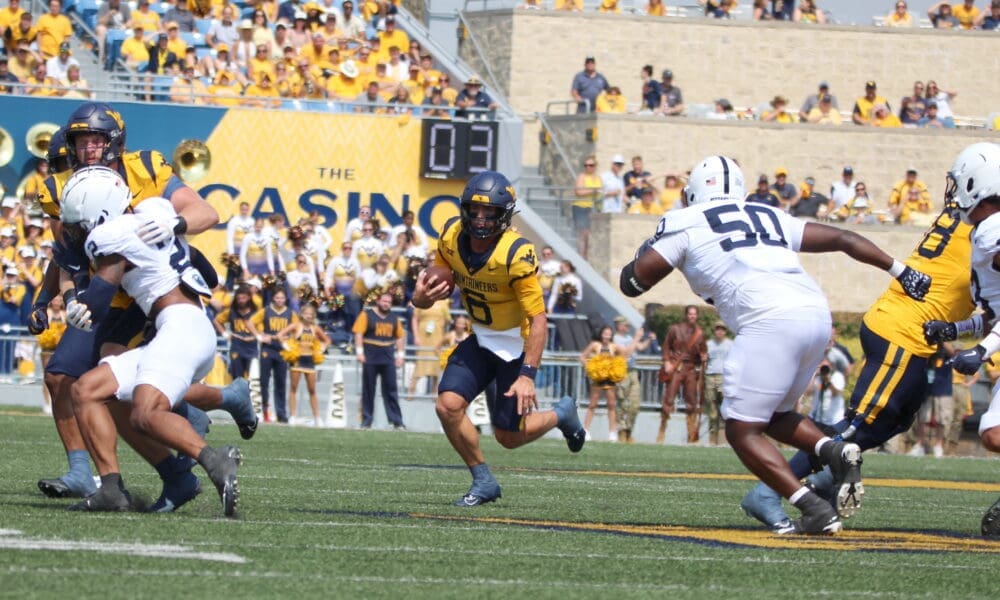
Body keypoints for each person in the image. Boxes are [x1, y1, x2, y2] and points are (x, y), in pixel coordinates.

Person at [621, 155, 932, 534]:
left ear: (691, 195)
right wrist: (900, 270)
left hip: (768, 319)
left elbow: (634, 283)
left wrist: (647, 247)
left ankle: (813, 508)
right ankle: (833, 449)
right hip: (815, 314)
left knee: (740, 430)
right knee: (775, 416)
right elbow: (843, 237)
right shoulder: (768, 214)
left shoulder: (685, 222)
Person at [32, 102, 245, 513]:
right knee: (84, 387)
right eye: (80, 141)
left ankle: (202, 444)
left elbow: (203, 213)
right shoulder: (146, 211)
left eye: (97, 140)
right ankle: (112, 484)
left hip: (165, 315)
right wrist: (63, 297)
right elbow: (67, 257)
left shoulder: (130, 203)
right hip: (164, 307)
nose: (88, 150)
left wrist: (176, 226)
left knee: (140, 407)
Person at [411, 170, 587, 506]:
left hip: (515, 345)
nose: (480, 219)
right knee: (447, 406)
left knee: (507, 436)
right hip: (480, 338)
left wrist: (527, 375)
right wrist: (421, 299)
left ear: (503, 215)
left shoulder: (516, 253)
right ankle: (483, 480)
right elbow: (431, 292)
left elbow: (538, 318)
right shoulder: (450, 235)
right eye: (475, 210)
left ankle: (561, 414)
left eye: (489, 212)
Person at [922, 142, 1000, 538]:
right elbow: (992, 313)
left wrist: (982, 351)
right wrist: (955, 331)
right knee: (993, 434)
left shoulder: (992, 232)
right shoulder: (985, 234)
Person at [352, 291, 405, 429]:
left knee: (391, 390)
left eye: (389, 302)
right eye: (384, 301)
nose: (386, 304)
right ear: (378, 301)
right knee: (368, 390)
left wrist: (400, 355)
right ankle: (366, 420)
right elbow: (358, 334)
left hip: (387, 358)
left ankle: (397, 421)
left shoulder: (394, 318)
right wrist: (359, 352)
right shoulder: (366, 315)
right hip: (370, 356)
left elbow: (399, 337)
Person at [657, 305, 707, 445]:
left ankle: (691, 435)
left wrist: (703, 356)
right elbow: (666, 346)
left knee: (692, 402)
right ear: (686, 315)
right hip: (676, 367)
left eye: (694, 314)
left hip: (691, 369)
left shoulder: (700, 333)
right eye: (690, 314)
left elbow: (702, 352)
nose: (692, 316)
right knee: (669, 400)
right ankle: (661, 432)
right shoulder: (675, 329)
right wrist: (667, 361)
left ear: (697, 316)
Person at [280, 301, 329, 425]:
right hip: (297, 360)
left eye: (311, 314)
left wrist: (322, 348)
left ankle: (317, 417)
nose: (309, 316)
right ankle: (293, 416)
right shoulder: (296, 326)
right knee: (293, 388)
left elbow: (327, 340)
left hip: (310, 360)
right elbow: (280, 334)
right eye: (306, 314)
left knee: (312, 389)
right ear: (301, 314)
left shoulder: (315, 328)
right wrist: (286, 346)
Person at [252, 288, 296, 423]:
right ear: (273, 298)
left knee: (280, 383)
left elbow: (297, 326)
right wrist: (259, 336)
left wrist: (288, 337)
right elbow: (250, 322)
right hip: (268, 348)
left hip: (282, 350)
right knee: (264, 381)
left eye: (282, 298)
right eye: (277, 298)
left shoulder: (290, 313)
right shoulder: (266, 311)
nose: (280, 301)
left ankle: (281, 413)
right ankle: (265, 410)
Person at [579, 325, 626, 441]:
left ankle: (612, 433)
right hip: (597, 379)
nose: (607, 335)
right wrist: (590, 368)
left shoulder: (614, 346)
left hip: (609, 379)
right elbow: (582, 356)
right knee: (592, 405)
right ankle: (585, 430)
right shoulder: (595, 345)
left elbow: (624, 356)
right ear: (601, 334)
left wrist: (617, 367)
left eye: (609, 333)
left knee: (611, 406)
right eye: (605, 333)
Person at [611, 316, 652, 443]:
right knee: (622, 404)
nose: (628, 328)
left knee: (635, 404)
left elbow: (639, 347)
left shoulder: (629, 338)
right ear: (619, 326)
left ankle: (629, 430)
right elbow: (626, 353)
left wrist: (649, 339)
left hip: (633, 371)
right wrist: (637, 337)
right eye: (626, 325)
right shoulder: (615, 339)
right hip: (622, 372)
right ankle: (622, 431)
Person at [213, 285, 261, 383]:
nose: (241, 301)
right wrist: (225, 334)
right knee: (237, 377)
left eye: (243, 298)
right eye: (239, 298)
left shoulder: (256, 313)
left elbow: (262, 328)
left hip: (251, 347)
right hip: (237, 346)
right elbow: (216, 320)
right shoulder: (231, 312)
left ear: (249, 297)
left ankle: (249, 398)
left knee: (252, 377)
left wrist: (255, 336)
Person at [409, 297, 450, 398]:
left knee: (436, 365)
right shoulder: (423, 299)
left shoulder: (444, 302)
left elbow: (448, 320)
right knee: (420, 363)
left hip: (437, 336)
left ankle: (435, 394)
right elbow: (414, 318)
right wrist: (416, 336)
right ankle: (411, 391)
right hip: (422, 336)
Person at [702, 321, 732, 446]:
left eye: (722, 329)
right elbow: (704, 360)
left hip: (724, 377)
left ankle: (728, 438)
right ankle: (712, 439)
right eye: (717, 329)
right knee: (712, 410)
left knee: (726, 409)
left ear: (725, 331)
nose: (720, 331)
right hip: (710, 376)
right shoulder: (708, 344)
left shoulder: (730, 344)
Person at [572, 155, 601, 258]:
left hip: (593, 208)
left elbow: (601, 192)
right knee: (583, 233)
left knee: (589, 234)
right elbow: (578, 191)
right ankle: (582, 256)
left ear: (595, 166)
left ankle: (586, 256)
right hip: (581, 207)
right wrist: (593, 190)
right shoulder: (582, 176)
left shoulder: (597, 178)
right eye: (586, 165)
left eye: (591, 165)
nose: (588, 167)